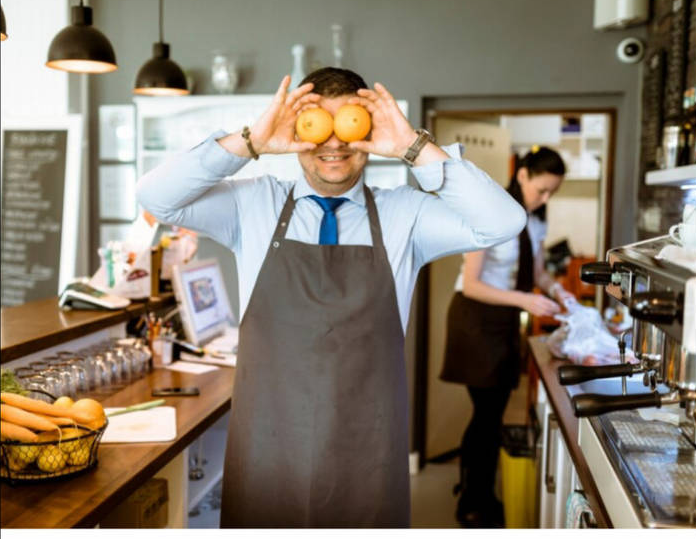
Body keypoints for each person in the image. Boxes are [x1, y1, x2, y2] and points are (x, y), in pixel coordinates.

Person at [136, 68, 526, 528]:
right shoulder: (252, 205)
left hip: (368, 454)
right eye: (319, 124)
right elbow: (155, 197)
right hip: (268, 450)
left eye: (350, 125)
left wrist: (412, 147)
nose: (334, 143)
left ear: (368, 132)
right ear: (298, 129)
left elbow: (503, 222)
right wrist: (251, 141)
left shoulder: (407, 214)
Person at [438, 147, 575, 528]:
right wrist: (526, 301)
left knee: (490, 414)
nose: (544, 198)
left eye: (552, 193)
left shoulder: (533, 222)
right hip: (476, 319)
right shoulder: (493, 214)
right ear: (523, 175)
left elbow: (537, 271)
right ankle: (473, 501)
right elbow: (471, 284)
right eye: (542, 189)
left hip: (502, 320)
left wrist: (557, 291)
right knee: (485, 416)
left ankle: (478, 492)